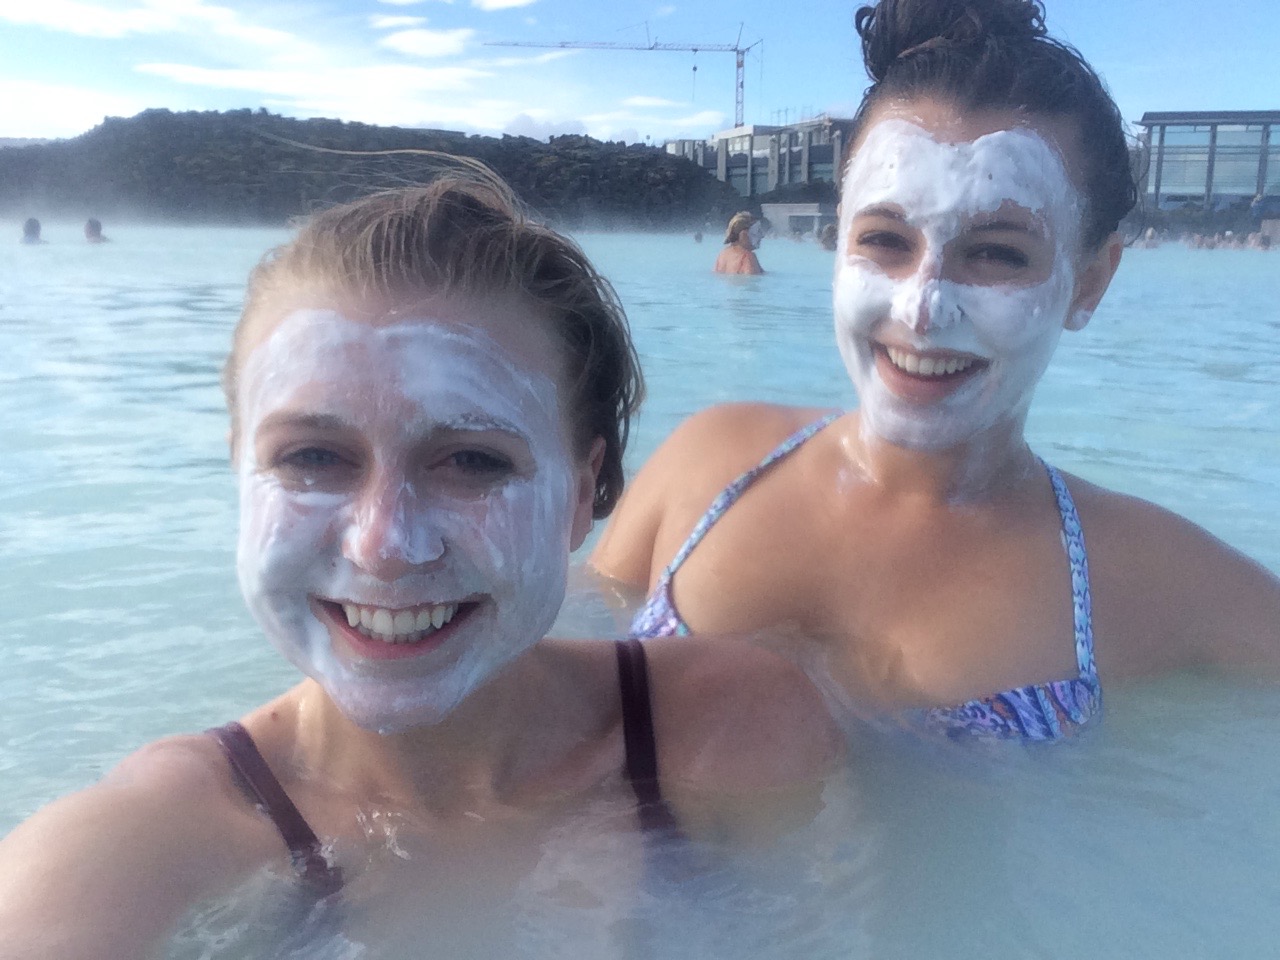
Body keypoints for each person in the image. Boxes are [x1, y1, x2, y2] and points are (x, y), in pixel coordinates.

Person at [0, 173, 840, 957]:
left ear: (583, 496)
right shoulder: (138, 851)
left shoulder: (733, 729)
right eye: (312, 457)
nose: (385, 545)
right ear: (239, 469)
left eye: (472, 461)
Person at [592, 0, 1280, 741]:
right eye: (885, 239)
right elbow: (549, 683)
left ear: (1089, 282)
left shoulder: (1151, 580)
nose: (923, 310)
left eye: (997, 253)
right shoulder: (708, 465)